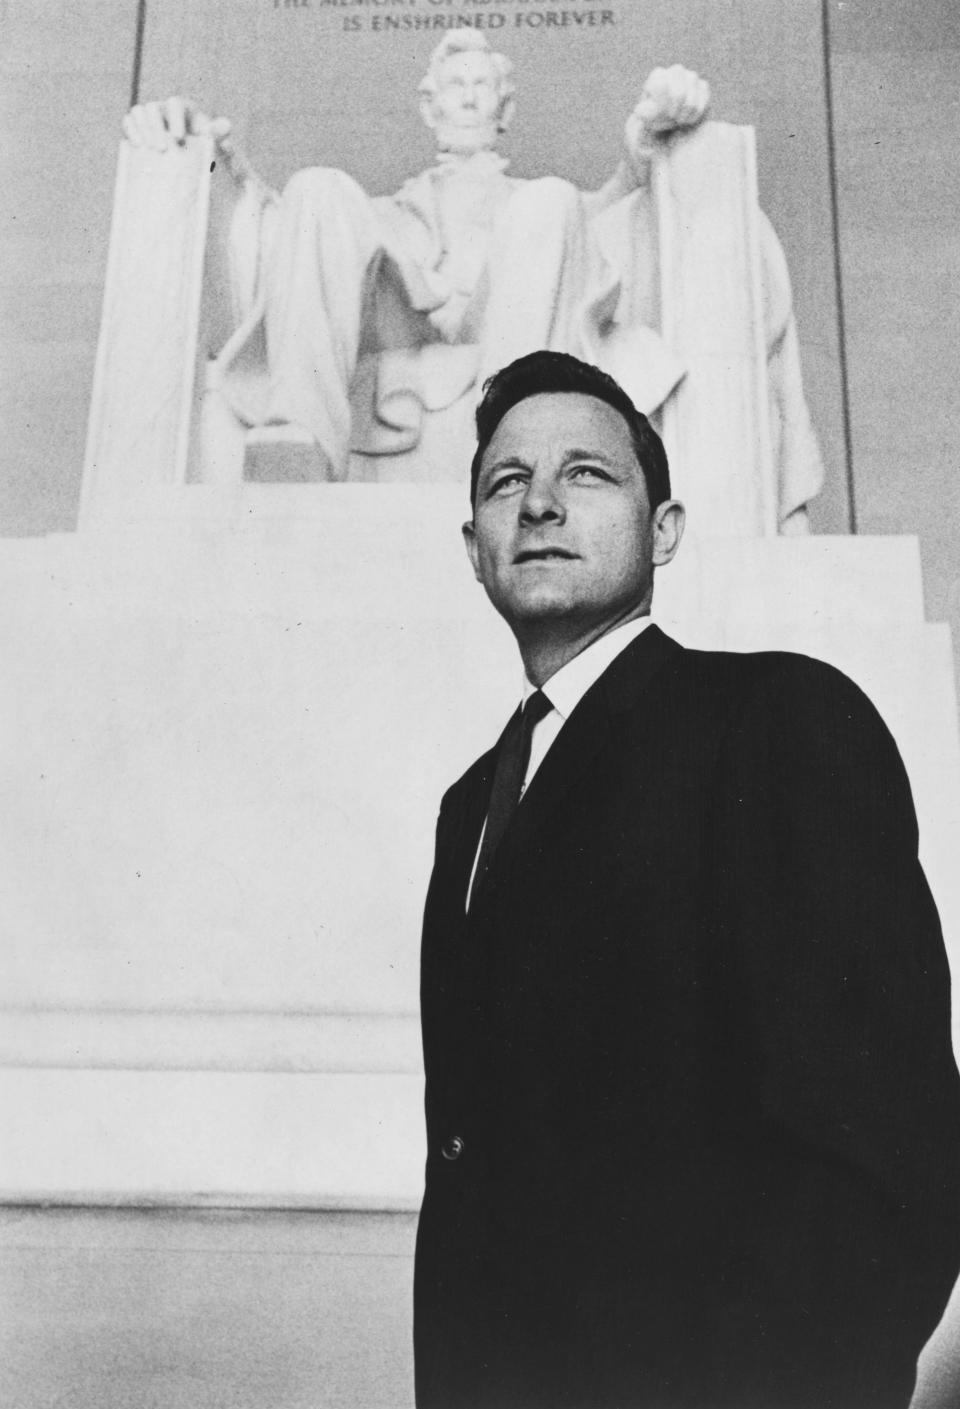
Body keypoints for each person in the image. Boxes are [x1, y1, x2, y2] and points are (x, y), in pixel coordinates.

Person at [414, 348, 960, 1409]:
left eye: (586, 474)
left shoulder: (776, 723)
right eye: (505, 482)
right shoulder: (469, 803)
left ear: (664, 528)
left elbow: (886, 1156)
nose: (538, 505)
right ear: (473, 548)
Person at [121, 37, 820, 526]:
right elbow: (277, 234)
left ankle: (512, 451)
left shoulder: (541, 207)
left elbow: (605, 230)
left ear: (504, 110)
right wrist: (216, 162)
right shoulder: (381, 212)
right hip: (399, 304)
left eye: (482, 87)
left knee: (546, 199)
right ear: (429, 106)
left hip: (506, 317)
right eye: (454, 87)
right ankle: (300, 434)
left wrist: (642, 150)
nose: (467, 98)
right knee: (317, 187)